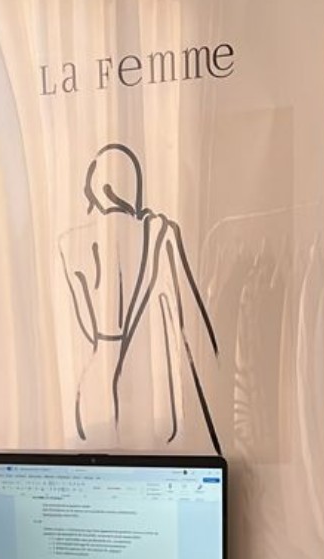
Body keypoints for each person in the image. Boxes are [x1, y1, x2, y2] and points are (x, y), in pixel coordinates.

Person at [58, 142, 221, 453]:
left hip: (95, 374)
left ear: (97, 187)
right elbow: (189, 318)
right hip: (145, 377)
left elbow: (81, 315)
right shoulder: (160, 231)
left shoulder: (70, 245)